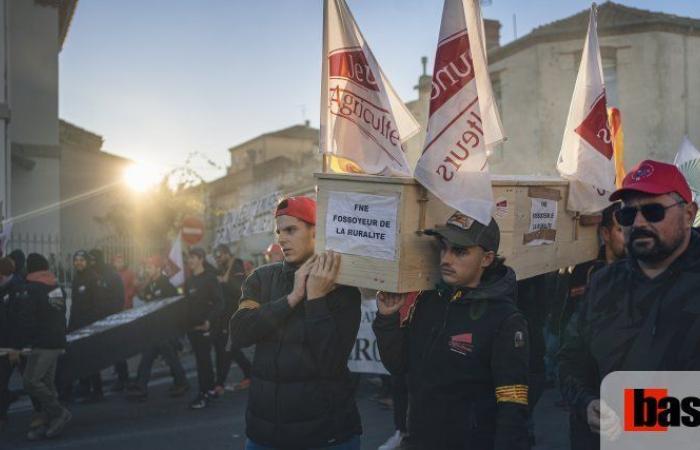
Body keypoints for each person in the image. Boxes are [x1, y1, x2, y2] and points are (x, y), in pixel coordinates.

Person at [559, 160, 700, 447]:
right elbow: (571, 360)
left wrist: (635, 414)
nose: (638, 223)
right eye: (627, 214)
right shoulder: (602, 284)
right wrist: (587, 404)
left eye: (652, 211)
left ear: (688, 214)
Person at [373, 212, 530, 450]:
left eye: (459, 251)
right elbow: (399, 364)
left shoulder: (505, 318)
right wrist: (387, 318)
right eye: (443, 248)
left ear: (487, 258)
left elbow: (512, 404)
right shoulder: (430, 300)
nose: (446, 259)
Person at [228, 196, 362, 450]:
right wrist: (292, 298)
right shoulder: (261, 278)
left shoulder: (343, 288)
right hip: (264, 435)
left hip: (327, 435)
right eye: (279, 231)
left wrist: (316, 298)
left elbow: (331, 361)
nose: (282, 238)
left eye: (291, 230)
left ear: (316, 231)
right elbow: (239, 333)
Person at [558, 202, 625, 450]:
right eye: (621, 229)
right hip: (592, 408)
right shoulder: (588, 274)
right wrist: (584, 401)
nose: (630, 235)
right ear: (606, 234)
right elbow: (570, 351)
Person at [13, 253, 71, 440]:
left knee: (30, 381)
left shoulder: (31, 289)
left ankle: (59, 412)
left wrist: (20, 344)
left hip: (41, 343)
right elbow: (61, 313)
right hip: (56, 341)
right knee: (46, 383)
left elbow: (26, 320)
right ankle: (50, 419)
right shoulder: (56, 287)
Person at [127, 255, 189, 401]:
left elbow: (175, 307)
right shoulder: (152, 284)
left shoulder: (166, 285)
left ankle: (181, 383)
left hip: (165, 329)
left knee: (170, 358)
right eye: (147, 267)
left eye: (150, 267)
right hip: (155, 329)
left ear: (158, 269)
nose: (147, 270)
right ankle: (141, 386)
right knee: (148, 357)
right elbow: (145, 298)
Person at [184, 247, 224, 409]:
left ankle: (204, 394)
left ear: (201, 259)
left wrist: (209, 321)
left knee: (203, 361)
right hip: (192, 327)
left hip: (207, 326)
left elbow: (220, 302)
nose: (190, 261)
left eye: (193, 257)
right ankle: (210, 390)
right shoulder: (189, 281)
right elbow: (187, 305)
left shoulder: (209, 278)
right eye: (188, 258)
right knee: (203, 360)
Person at [88, 249, 130, 392]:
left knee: (116, 351)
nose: (91, 263)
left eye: (93, 260)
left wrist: (109, 316)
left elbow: (119, 299)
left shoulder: (112, 275)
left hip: (111, 320)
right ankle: (96, 386)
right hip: (95, 321)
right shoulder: (92, 276)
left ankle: (123, 379)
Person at [213, 245, 251, 394]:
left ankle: (219, 383)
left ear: (228, 254)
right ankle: (250, 372)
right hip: (225, 316)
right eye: (216, 256)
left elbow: (239, 289)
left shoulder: (237, 266)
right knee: (232, 348)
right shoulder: (222, 269)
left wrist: (225, 280)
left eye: (220, 255)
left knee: (229, 348)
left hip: (236, 315)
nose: (218, 258)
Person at [68, 250, 104, 403]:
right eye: (76, 260)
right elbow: (75, 305)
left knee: (91, 358)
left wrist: (91, 324)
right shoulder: (76, 278)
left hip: (89, 326)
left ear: (87, 262)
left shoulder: (93, 278)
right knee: (80, 358)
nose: (78, 262)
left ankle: (97, 391)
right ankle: (84, 386)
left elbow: (98, 305)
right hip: (77, 326)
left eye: (82, 260)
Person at [0, 256, 23, 431]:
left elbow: (18, 321)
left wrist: (15, 347)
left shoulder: (17, 289)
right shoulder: (6, 288)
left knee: (31, 381)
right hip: (5, 343)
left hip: (13, 345)